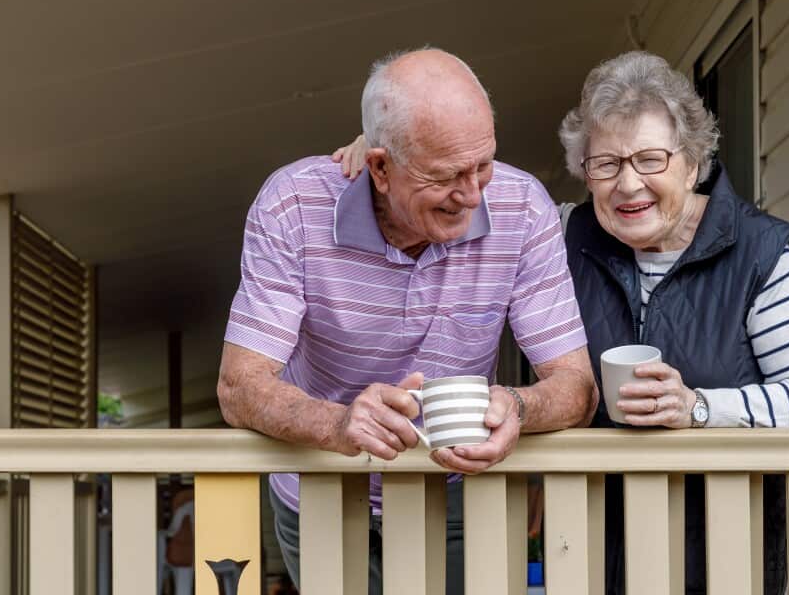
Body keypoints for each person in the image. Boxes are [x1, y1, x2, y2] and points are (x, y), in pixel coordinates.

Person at [333, 50, 789, 594]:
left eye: (650, 160)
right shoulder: (559, 236)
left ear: (692, 163)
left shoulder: (759, 253)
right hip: (590, 550)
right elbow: (447, 188)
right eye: (607, 164)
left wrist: (699, 407)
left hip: (725, 550)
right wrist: (384, 166)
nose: (628, 184)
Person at [218, 48, 598, 595]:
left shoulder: (523, 207)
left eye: (483, 165)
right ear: (378, 167)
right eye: (446, 176)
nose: (472, 195)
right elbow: (239, 387)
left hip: (457, 485)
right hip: (321, 484)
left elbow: (576, 387)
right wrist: (337, 424)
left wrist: (519, 406)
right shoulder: (292, 205)